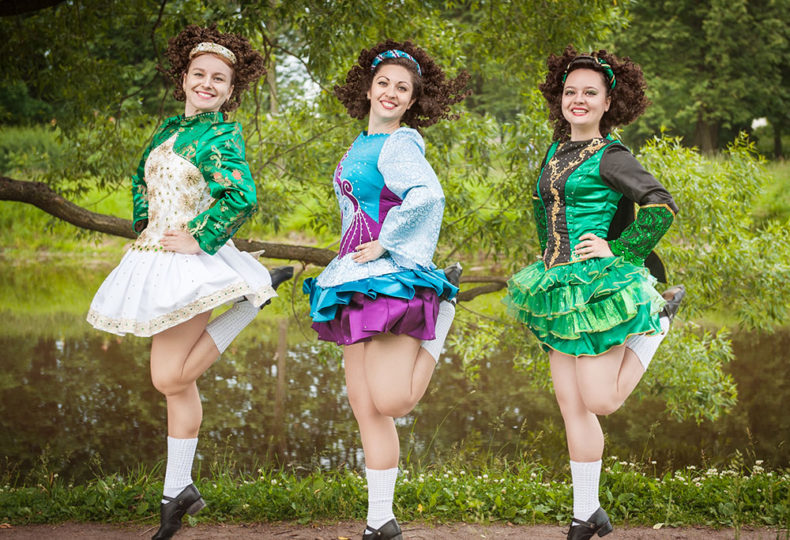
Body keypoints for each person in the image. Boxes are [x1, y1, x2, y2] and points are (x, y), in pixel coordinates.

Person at [86, 25, 293, 540]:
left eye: (218, 79)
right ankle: (176, 494)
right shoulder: (164, 132)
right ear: (184, 79)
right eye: (199, 74)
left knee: (167, 378)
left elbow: (240, 197)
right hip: (156, 256)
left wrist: (197, 237)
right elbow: (142, 181)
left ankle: (247, 305)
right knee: (176, 384)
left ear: (228, 89)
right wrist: (147, 228)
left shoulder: (223, 135)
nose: (207, 83)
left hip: (190, 260)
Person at [503, 46, 685, 540]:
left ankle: (659, 322)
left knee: (600, 399)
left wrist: (617, 252)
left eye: (589, 93)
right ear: (559, 99)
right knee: (571, 403)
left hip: (599, 285)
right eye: (570, 92)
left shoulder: (613, 155)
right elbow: (546, 213)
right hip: (557, 286)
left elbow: (661, 207)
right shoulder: (555, 152)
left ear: (608, 102)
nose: (577, 100)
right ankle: (587, 514)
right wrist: (546, 263)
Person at [302, 40, 469, 540]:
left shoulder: (400, 143)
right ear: (369, 89)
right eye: (384, 84)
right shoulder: (358, 144)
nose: (392, 93)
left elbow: (429, 194)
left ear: (413, 99)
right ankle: (380, 521)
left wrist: (386, 241)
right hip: (352, 278)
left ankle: (443, 316)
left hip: (391, 277)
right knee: (364, 404)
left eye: (403, 88)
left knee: (393, 400)